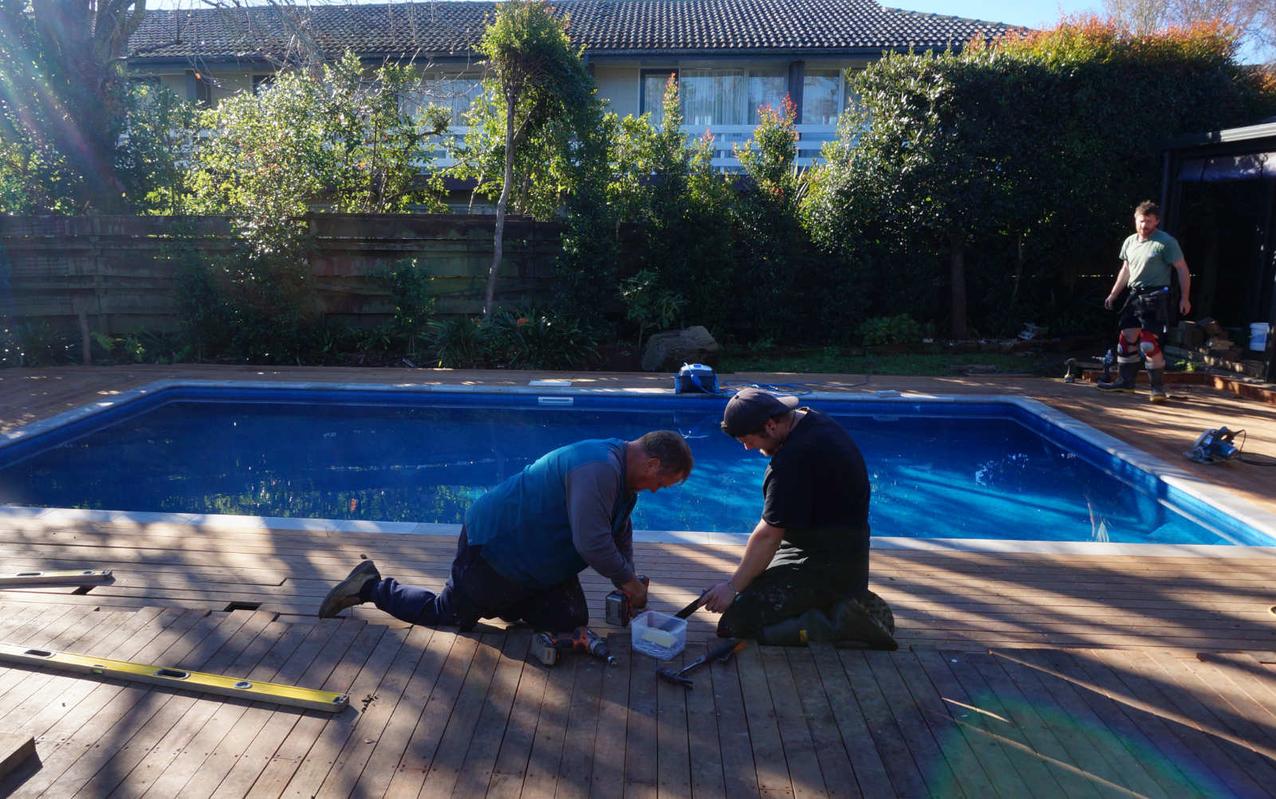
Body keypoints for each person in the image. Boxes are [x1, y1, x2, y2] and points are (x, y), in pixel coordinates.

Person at [318, 431, 693, 640]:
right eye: (661, 482)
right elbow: (592, 543)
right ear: (652, 463)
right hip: (495, 547)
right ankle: (368, 586)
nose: (656, 489)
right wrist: (628, 581)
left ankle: (504, 602)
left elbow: (618, 530)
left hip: (538, 560)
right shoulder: (597, 467)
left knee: (570, 620)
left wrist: (629, 580)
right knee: (449, 614)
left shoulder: (625, 482)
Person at [703, 388, 896, 649]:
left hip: (827, 567)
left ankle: (837, 622)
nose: (748, 448)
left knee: (735, 623)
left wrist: (731, 587)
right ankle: (848, 600)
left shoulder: (792, 462)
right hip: (840, 555)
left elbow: (768, 536)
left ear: (770, 425)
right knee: (753, 582)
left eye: (747, 440)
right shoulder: (813, 421)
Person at [1098, 200, 1191, 402]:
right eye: (1141, 220)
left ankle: (1157, 388)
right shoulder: (1130, 242)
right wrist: (1114, 294)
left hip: (1156, 296)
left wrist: (1185, 298)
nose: (1144, 225)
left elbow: (1182, 269)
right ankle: (1125, 382)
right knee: (1126, 339)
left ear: (1156, 221)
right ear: (1135, 219)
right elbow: (1126, 270)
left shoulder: (1166, 242)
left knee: (1148, 343)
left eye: (1149, 221)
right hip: (1134, 295)